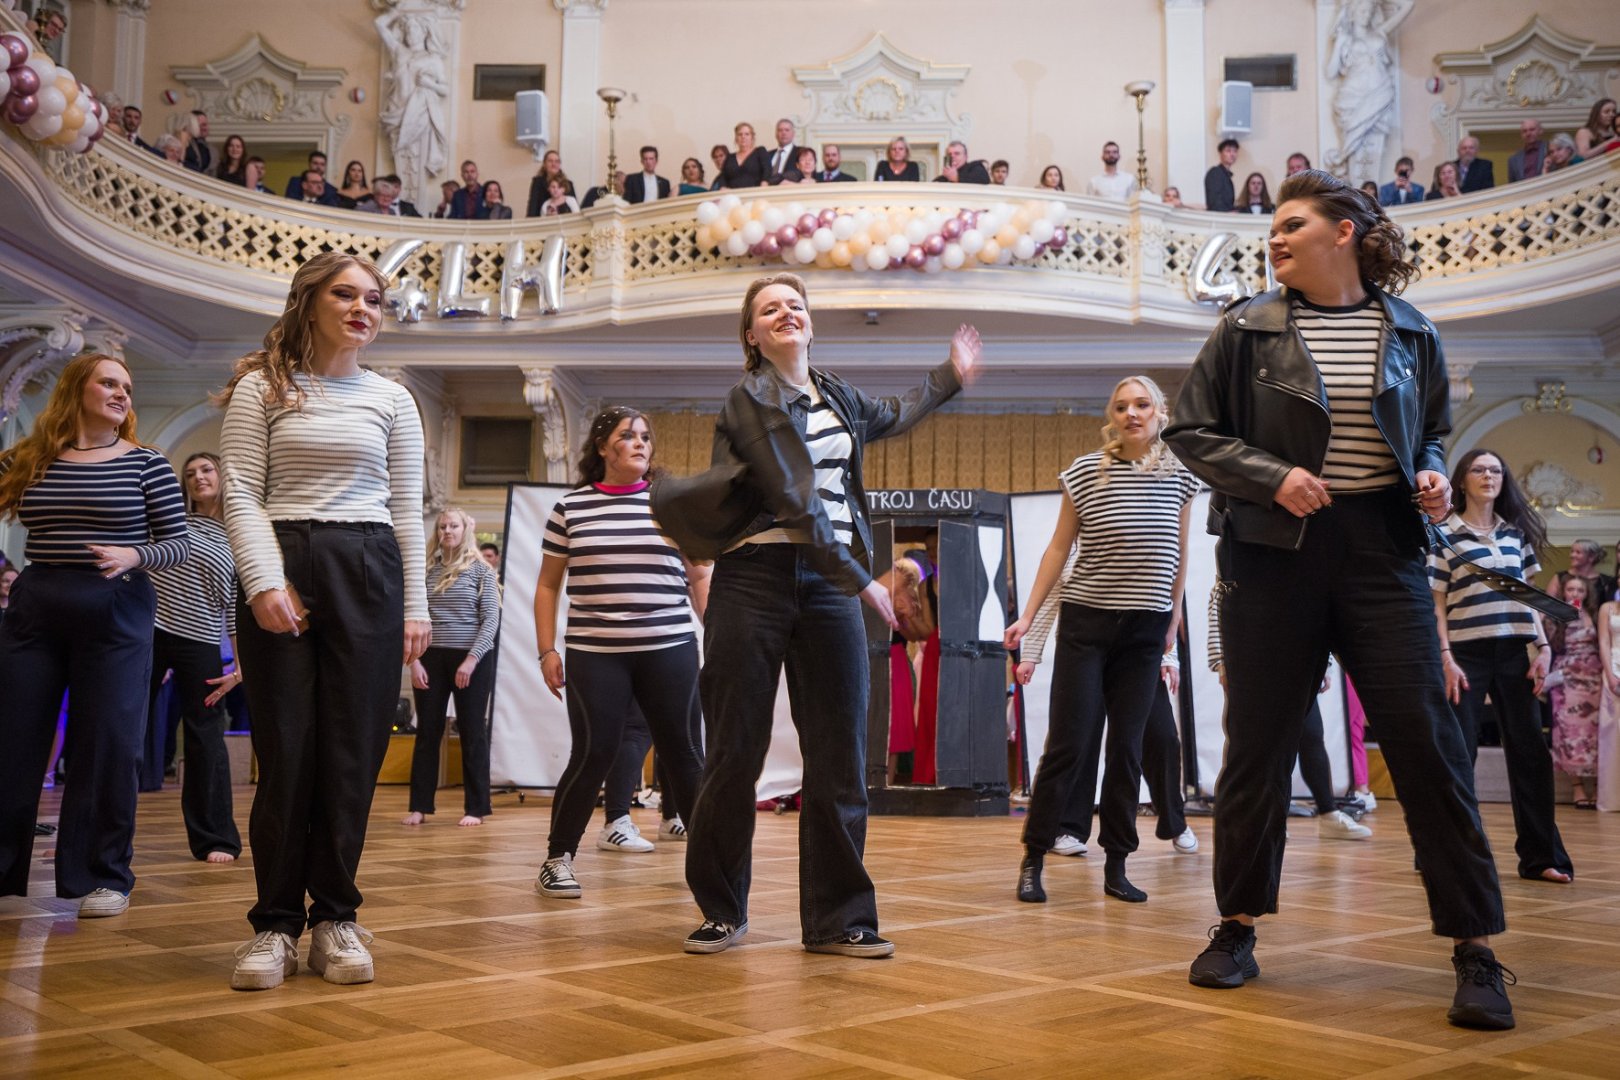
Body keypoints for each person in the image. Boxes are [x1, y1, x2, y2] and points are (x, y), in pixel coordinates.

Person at [1167, 168, 1516, 1031]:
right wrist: (1271, 476)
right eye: (1273, 229)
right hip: (1271, 554)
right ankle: (1236, 928)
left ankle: (1475, 947)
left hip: (1383, 552)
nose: (1276, 238)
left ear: (1345, 232)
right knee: (1257, 749)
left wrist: (1432, 475)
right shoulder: (1244, 328)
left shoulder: (1412, 331)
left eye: (1293, 224)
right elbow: (1191, 430)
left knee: (1430, 747)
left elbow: (1430, 432)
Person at [652, 274, 979, 957]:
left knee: (840, 754)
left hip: (828, 587)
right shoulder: (751, 398)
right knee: (734, 751)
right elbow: (795, 499)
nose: (786, 312)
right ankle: (722, 909)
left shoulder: (836, 394)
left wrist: (949, 375)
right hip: (755, 577)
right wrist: (862, 581)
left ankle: (839, 919)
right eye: (769, 308)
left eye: (795, 304)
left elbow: (893, 412)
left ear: (810, 322)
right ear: (752, 334)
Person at [220, 251, 428, 992]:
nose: (362, 308)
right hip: (284, 555)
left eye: (374, 299)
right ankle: (275, 925)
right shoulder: (262, 386)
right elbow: (239, 491)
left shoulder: (394, 398)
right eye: (345, 294)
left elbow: (407, 509)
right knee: (286, 753)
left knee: (352, 755)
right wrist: (263, 579)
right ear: (309, 302)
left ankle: (335, 917)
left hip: (369, 565)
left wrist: (416, 607)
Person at [0, 352, 189, 919]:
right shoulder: (30, 457)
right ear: (76, 389)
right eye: (108, 382)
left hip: (115, 604)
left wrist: (135, 554)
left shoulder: (147, 464)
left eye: (126, 386)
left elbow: (178, 544)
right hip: (37, 601)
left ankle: (103, 876)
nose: (121, 393)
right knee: (13, 738)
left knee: (107, 742)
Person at [1006, 376, 1198, 906]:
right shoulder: (1087, 471)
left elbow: (1180, 555)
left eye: (1142, 404)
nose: (1131, 413)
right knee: (1068, 744)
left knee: (1127, 750)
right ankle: (1034, 856)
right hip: (1087, 625)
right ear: (1111, 417)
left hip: (1145, 631)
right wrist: (1028, 617)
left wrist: (1172, 622)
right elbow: (1057, 549)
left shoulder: (1180, 477)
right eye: (1121, 407)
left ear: (1160, 412)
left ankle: (1117, 862)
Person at [532, 407, 709, 899]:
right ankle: (557, 859)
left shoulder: (671, 504)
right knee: (593, 752)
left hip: (670, 648)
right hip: (595, 653)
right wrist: (546, 650)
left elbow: (699, 575)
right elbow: (547, 586)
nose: (640, 443)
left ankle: (713, 868)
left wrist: (716, 637)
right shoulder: (570, 508)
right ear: (602, 447)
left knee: (685, 753)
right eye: (627, 435)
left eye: (645, 437)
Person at [1430, 449, 1571, 882]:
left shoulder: (1515, 535)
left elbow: (1528, 596)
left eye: (1495, 470)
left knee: (1531, 755)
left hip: (1515, 651)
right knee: (1458, 754)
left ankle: (1541, 857)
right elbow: (1436, 604)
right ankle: (1449, 852)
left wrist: (1543, 647)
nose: (1488, 476)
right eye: (1479, 469)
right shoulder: (1443, 534)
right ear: (1462, 480)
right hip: (1464, 655)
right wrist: (1445, 657)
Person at [1016, 547, 1201, 857]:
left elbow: (1161, 598)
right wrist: (1030, 655)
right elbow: (1048, 599)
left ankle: (1174, 821)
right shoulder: (1069, 552)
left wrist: (1168, 657)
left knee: (1161, 735)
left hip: (1136, 655)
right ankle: (1068, 827)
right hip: (1086, 652)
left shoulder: (1142, 543)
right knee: (1079, 737)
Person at [143, 452, 244, 864]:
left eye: (206, 470)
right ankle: (92, 838)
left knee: (206, 738)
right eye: (189, 473)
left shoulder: (241, 535)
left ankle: (215, 838)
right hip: (147, 633)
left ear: (222, 476)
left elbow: (236, 607)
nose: (197, 477)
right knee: (120, 729)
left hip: (201, 641)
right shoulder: (172, 522)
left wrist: (241, 666)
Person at [403, 508, 500, 829]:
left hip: (472, 659)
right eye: (442, 526)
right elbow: (410, 618)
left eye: (453, 526)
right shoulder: (426, 570)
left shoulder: (481, 570)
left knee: (472, 732)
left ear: (464, 530)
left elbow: (491, 620)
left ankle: (477, 807)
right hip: (430, 658)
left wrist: (471, 660)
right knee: (427, 732)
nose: (447, 531)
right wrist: (414, 661)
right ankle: (419, 806)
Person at [1549, 576, 1600, 810]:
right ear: (1564, 591)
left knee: (1595, 733)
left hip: (1593, 677)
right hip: (1567, 678)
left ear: (1587, 593)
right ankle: (1577, 787)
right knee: (1568, 732)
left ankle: (1598, 787)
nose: (1575, 593)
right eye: (1570, 589)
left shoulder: (1595, 615)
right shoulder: (1555, 616)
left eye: (1580, 589)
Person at [1595, 591, 1620, 811]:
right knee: (1612, 733)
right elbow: (1603, 641)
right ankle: (1613, 797)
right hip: (1613, 668)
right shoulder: (1607, 608)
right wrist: (1610, 675)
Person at [1553, 540, 1613, 618]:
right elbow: (1548, 605)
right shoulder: (1559, 577)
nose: (1572, 555)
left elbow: (1612, 609)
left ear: (1591, 557)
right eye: (1572, 551)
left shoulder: (1605, 581)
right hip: (1564, 622)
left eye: (1578, 552)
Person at [719, 123, 771, 189]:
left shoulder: (760, 152)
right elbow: (723, 177)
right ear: (736, 138)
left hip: (755, 192)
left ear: (752, 137)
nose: (743, 137)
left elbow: (767, 170)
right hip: (733, 194)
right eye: (740, 134)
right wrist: (723, 187)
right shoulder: (729, 158)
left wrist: (764, 183)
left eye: (747, 134)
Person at [526, 149, 575, 217]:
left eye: (557, 161)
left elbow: (575, 213)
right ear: (544, 164)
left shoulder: (568, 184)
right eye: (550, 161)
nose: (554, 164)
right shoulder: (537, 183)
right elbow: (532, 208)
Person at [355, 175, 421, 217]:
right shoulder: (367, 208)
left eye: (389, 196)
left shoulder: (392, 212)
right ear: (376, 195)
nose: (386, 199)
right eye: (383, 195)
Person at [1204, 138, 1239, 212]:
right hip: (1218, 216)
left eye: (1235, 151)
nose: (1232, 154)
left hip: (1225, 216)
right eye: (1228, 151)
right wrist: (1228, 213)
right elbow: (1215, 201)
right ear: (1220, 154)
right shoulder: (1215, 172)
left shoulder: (1227, 177)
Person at [765, 118, 799, 184]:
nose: (783, 133)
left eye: (787, 130)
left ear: (793, 134)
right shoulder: (767, 155)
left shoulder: (800, 153)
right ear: (776, 134)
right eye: (780, 130)